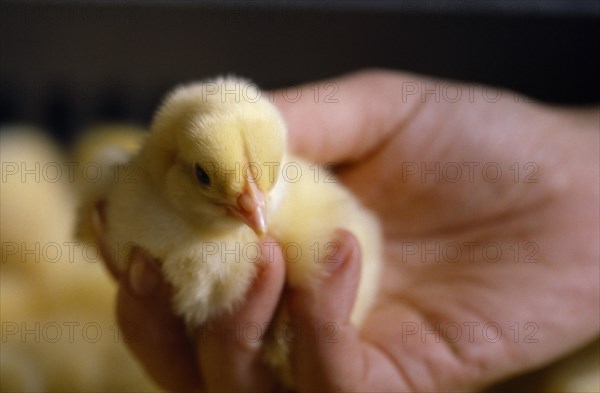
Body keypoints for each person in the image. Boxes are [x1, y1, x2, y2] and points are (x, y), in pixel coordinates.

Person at [93, 69, 599, 392]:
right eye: (206, 177)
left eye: (264, 182)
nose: (256, 210)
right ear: (169, 162)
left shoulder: (291, 201)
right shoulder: (137, 190)